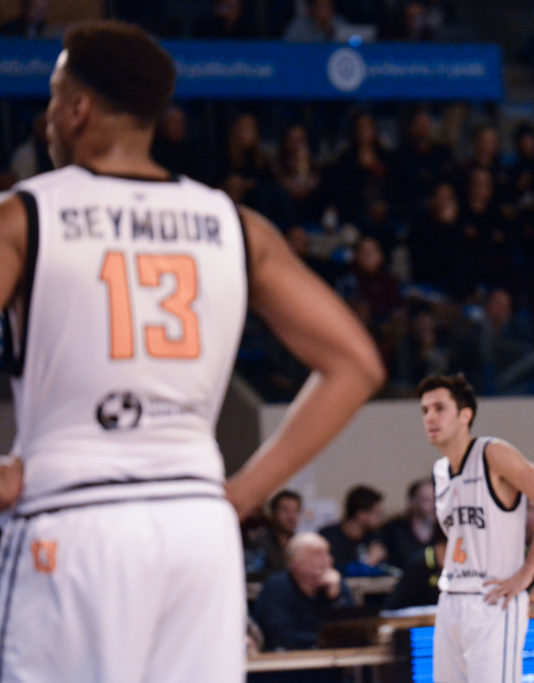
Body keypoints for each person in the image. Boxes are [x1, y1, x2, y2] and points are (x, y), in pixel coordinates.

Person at [0, 20, 384, 682]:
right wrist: (241, 493)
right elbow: (357, 365)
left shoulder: (25, 214)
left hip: (74, 514)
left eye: (54, 99)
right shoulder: (234, 224)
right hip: (197, 525)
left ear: (77, 108)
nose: (48, 117)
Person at [419, 373, 534, 683]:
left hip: (493, 600)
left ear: (465, 415)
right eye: (425, 410)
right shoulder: (440, 470)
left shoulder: (491, 453)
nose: (430, 417)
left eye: (439, 408)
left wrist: (527, 573)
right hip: (450, 598)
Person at [251, 532, 353, 651]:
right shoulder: (277, 587)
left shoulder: (336, 585)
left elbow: (351, 631)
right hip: (289, 659)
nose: (328, 560)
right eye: (318, 554)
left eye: (328, 554)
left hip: (332, 658)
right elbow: (279, 636)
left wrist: (335, 598)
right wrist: (323, 641)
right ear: (295, 561)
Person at [318, 484, 389, 576]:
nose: (380, 518)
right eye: (377, 513)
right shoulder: (329, 537)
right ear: (361, 515)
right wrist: (369, 562)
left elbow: (385, 569)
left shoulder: (374, 536)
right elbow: (332, 570)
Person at [378, 477, 442, 572]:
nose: (434, 506)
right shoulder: (393, 530)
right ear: (413, 502)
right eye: (427, 500)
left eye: (436, 500)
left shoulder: (445, 531)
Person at [245, 489, 303, 581]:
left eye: (296, 511)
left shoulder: (301, 545)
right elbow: (251, 576)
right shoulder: (257, 543)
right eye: (285, 511)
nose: (291, 517)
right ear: (273, 513)